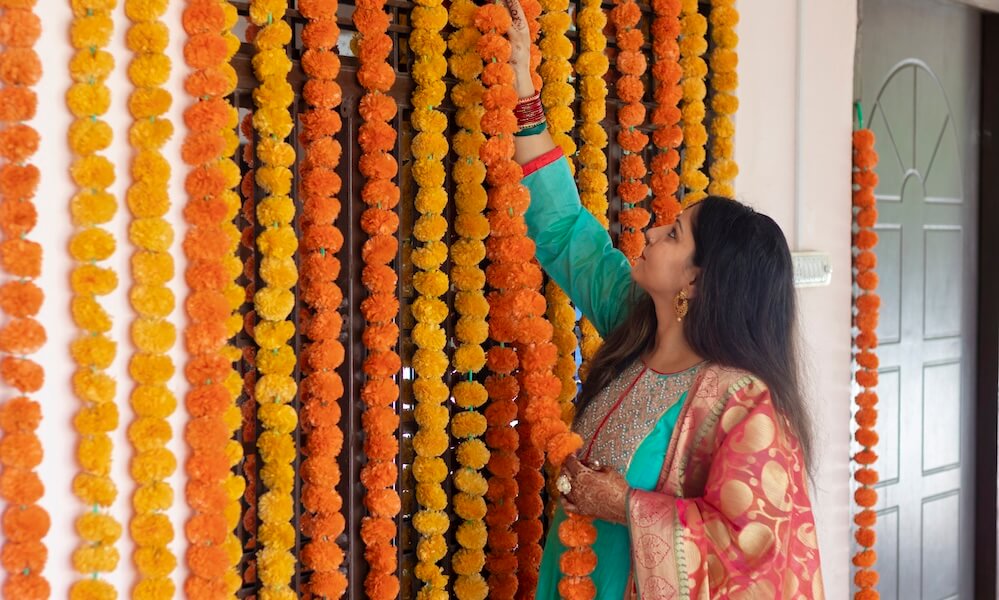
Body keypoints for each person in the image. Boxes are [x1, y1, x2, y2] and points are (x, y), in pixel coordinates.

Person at [501, 0, 827, 597]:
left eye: (674, 234)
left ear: (699, 281)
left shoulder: (743, 404)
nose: (651, 233)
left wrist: (624, 505)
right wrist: (523, 86)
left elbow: (751, 551)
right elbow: (563, 229)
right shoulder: (634, 326)